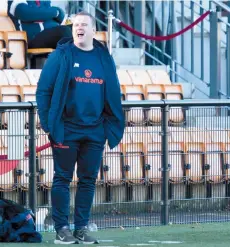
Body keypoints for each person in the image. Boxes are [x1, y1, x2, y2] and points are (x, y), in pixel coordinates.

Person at [36, 11, 125, 244]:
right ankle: (61, 229)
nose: (79, 28)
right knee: (62, 179)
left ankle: (81, 228)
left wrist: (108, 127)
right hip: (67, 129)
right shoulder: (61, 55)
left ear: (94, 30)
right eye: (76, 25)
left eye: (84, 24)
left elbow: (113, 93)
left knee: (87, 180)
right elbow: (43, 91)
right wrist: (49, 124)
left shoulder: (103, 57)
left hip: (95, 131)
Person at [8, 0, 72, 49]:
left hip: (50, 34)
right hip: (32, 38)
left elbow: (61, 16)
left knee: (77, 28)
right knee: (64, 31)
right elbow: (25, 13)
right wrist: (54, 12)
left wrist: (50, 13)